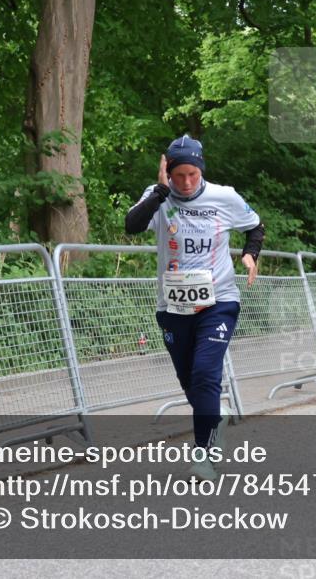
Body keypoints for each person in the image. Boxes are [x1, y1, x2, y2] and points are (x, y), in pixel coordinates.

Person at [124, 134, 265, 481]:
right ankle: (213, 415)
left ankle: (203, 456)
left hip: (218, 300)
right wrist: (159, 192)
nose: (186, 183)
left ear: (202, 170)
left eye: (193, 175)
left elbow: (255, 227)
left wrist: (250, 255)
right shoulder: (158, 197)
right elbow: (131, 226)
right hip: (173, 306)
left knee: (205, 373)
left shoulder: (224, 196)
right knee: (191, 382)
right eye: (178, 175)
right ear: (167, 172)